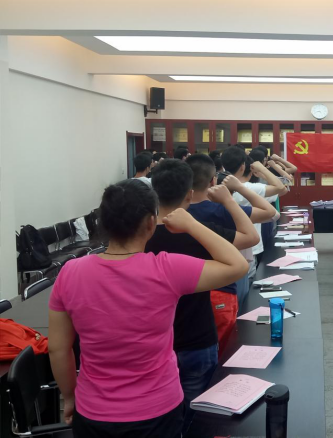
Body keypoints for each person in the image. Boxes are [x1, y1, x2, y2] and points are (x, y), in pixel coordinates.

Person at [48, 179, 248, 437]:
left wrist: (69, 397)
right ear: (151, 223)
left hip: (93, 411)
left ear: (103, 223)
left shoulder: (70, 272)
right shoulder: (166, 268)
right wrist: (192, 224)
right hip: (157, 409)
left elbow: (58, 349)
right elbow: (237, 265)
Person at [145, 160, 258, 432]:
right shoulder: (201, 232)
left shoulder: (139, 237)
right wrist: (227, 201)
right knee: (198, 418)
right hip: (196, 337)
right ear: (189, 194)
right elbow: (250, 237)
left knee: (159, 417)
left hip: (153, 342)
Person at [186, 154, 276, 326]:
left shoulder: (178, 213)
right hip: (222, 286)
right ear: (213, 181)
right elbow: (269, 212)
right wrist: (235, 192)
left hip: (187, 287)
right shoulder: (223, 210)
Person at [222, 147, 287, 271]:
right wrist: (262, 169)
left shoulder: (219, 186)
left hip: (228, 244)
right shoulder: (249, 188)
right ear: (243, 167)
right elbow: (281, 188)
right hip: (250, 246)